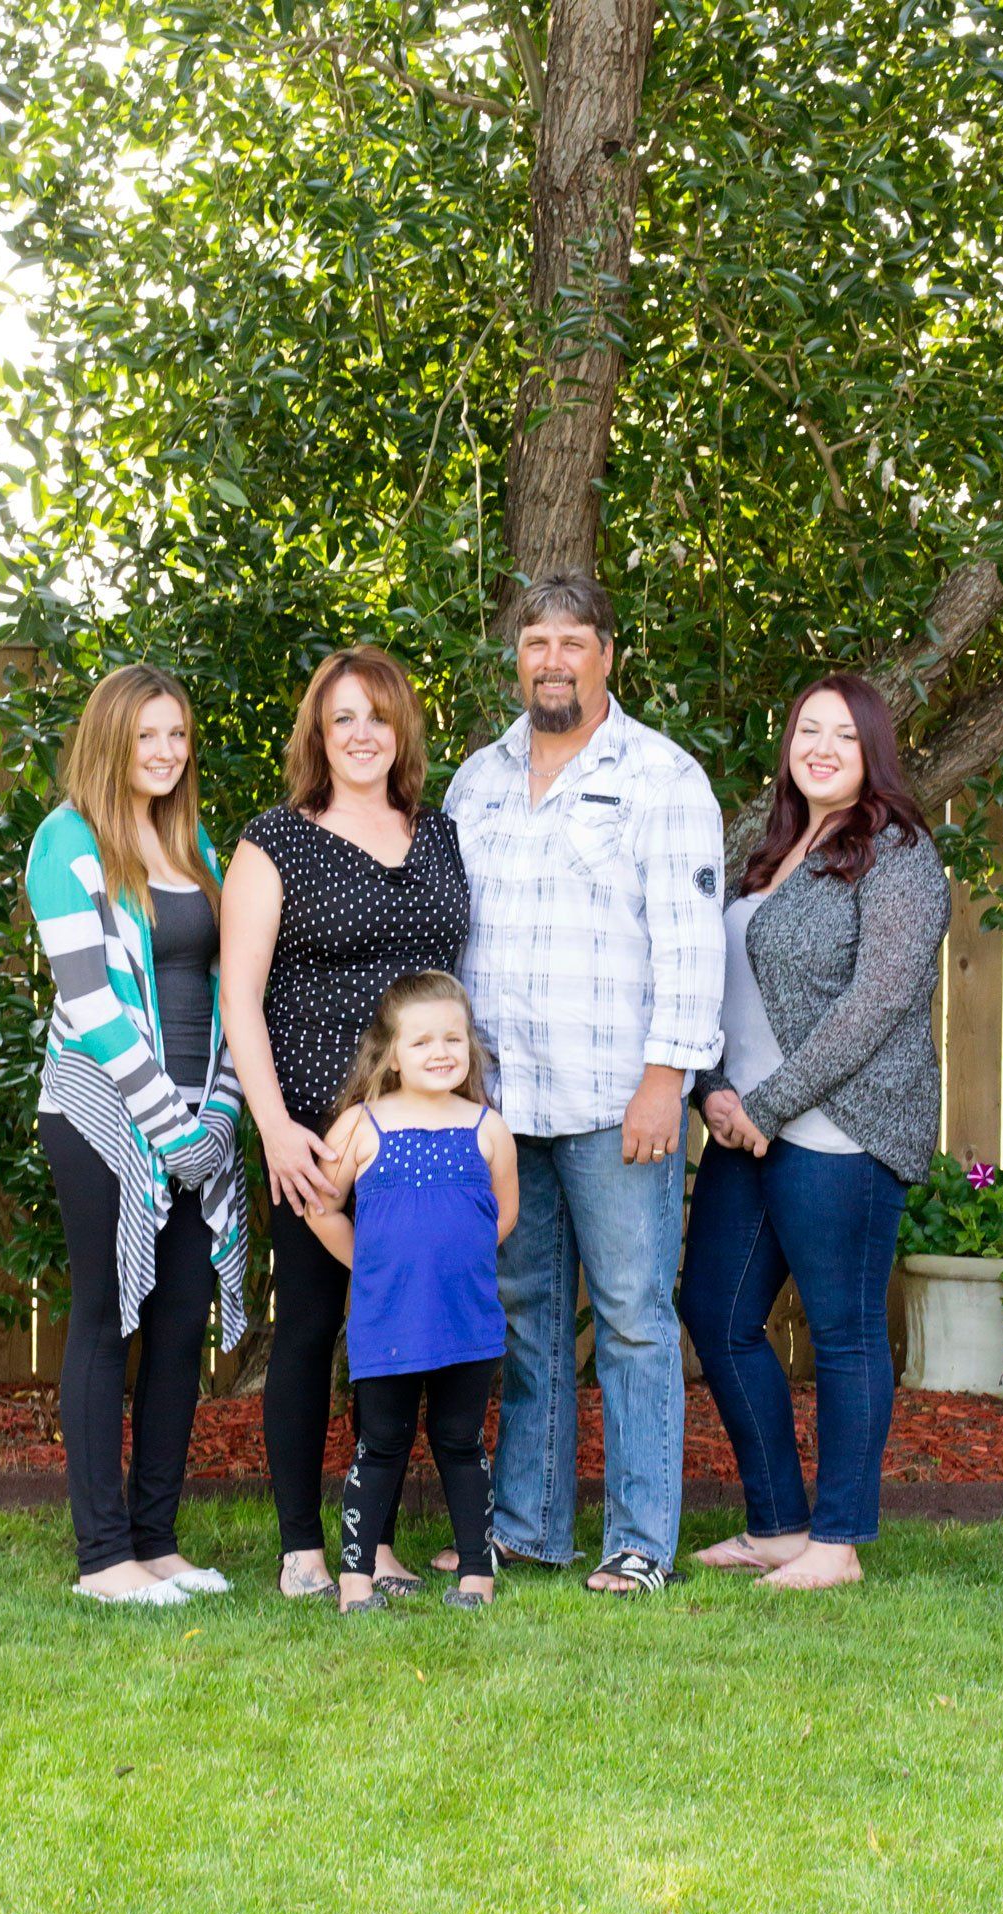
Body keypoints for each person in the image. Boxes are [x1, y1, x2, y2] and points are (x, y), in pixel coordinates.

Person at [443, 571, 726, 1595]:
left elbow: (689, 943)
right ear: (516, 658)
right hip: (504, 1104)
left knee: (634, 1320)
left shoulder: (662, 777)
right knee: (526, 1319)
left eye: (573, 641)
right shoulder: (477, 781)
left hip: (616, 1102)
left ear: (609, 654)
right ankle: (529, 1525)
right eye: (536, 642)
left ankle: (641, 1539)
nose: (552, 659)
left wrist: (666, 1080)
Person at [679, 671, 951, 1591]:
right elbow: (718, 991)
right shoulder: (768, 849)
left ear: (872, 750)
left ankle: (836, 1543)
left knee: (842, 1332)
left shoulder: (897, 853)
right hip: (744, 1129)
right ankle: (777, 1526)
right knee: (716, 1314)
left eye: (842, 734)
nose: (821, 748)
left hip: (842, 1129)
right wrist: (715, 1093)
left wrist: (766, 1105)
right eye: (807, 730)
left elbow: (874, 1004)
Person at [219, 647, 470, 1598]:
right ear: (317, 738)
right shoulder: (275, 842)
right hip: (317, 1132)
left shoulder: (438, 835)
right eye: (342, 720)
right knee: (312, 1324)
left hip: (424, 1133)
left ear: (402, 728)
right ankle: (300, 1550)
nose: (362, 735)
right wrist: (275, 1126)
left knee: (397, 1331)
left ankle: (376, 1543)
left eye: (377, 716)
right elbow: (240, 998)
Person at [25, 665, 247, 1605]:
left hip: (198, 1122)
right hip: (103, 1115)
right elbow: (94, 1006)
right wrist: (168, 1128)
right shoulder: (67, 842)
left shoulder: (193, 842)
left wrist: (219, 1117)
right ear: (110, 739)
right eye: (146, 735)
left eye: (177, 735)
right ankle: (102, 1558)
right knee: (108, 1316)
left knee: (181, 1318)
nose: (164, 752)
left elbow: (235, 986)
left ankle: (155, 1542)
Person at [306, 972, 518, 1614]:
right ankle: (356, 1583)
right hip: (387, 1321)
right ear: (390, 1053)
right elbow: (321, 1209)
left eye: (453, 1038)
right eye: (421, 1041)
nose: (440, 1052)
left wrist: (455, 1264)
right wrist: (372, 1266)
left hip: (465, 1322)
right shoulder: (359, 1126)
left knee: (461, 1443)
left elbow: (504, 1213)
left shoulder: (488, 1128)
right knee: (381, 1446)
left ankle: (476, 1577)